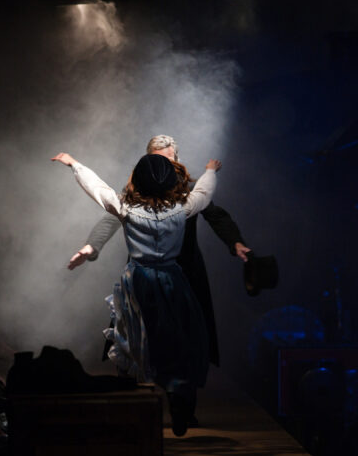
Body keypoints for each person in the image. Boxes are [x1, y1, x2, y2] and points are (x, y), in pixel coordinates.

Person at [51, 151, 221, 436]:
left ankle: (131, 405)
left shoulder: (126, 208)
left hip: (139, 280)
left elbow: (98, 189)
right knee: (178, 339)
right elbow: (203, 192)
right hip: (171, 279)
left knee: (133, 337)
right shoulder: (182, 207)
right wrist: (211, 170)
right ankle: (178, 396)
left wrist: (75, 165)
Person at [67, 135, 250, 383]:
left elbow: (213, 210)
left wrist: (235, 241)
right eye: (157, 160)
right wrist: (92, 245)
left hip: (182, 274)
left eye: (169, 158)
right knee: (135, 333)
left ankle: (181, 398)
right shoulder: (145, 198)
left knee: (183, 336)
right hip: (148, 276)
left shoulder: (184, 195)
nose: (163, 165)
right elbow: (110, 212)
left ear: (177, 160)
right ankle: (137, 391)